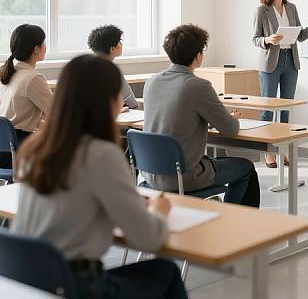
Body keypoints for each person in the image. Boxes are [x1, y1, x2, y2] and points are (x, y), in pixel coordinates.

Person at [12, 54, 187, 299]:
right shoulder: (100, 154)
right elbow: (148, 239)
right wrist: (159, 211)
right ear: (108, 101)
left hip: (28, 281)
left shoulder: (34, 150)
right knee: (165, 272)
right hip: (77, 287)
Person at [143, 24, 260, 207]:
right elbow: (230, 129)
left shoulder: (151, 82)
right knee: (246, 168)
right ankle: (238, 226)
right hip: (184, 176)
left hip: (151, 174)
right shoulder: (198, 86)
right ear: (198, 56)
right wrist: (232, 118)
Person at [253, 0, 308, 167]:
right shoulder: (262, 10)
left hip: (290, 62)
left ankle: (281, 151)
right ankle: (267, 153)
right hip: (270, 62)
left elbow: (299, 36)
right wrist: (268, 39)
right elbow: (255, 39)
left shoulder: (291, 8)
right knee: (267, 109)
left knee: (286, 109)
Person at [0, 24, 52, 167]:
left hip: (4, 150)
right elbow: (58, 113)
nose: (45, 46)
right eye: (44, 43)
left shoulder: (7, 74)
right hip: (18, 152)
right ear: (36, 49)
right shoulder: (33, 78)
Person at [87, 24, 139, 109]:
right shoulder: (112, 70)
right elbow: (129, 100)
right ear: (112, 49)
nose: (122, 44)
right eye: (119, 42)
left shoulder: (84, 67)